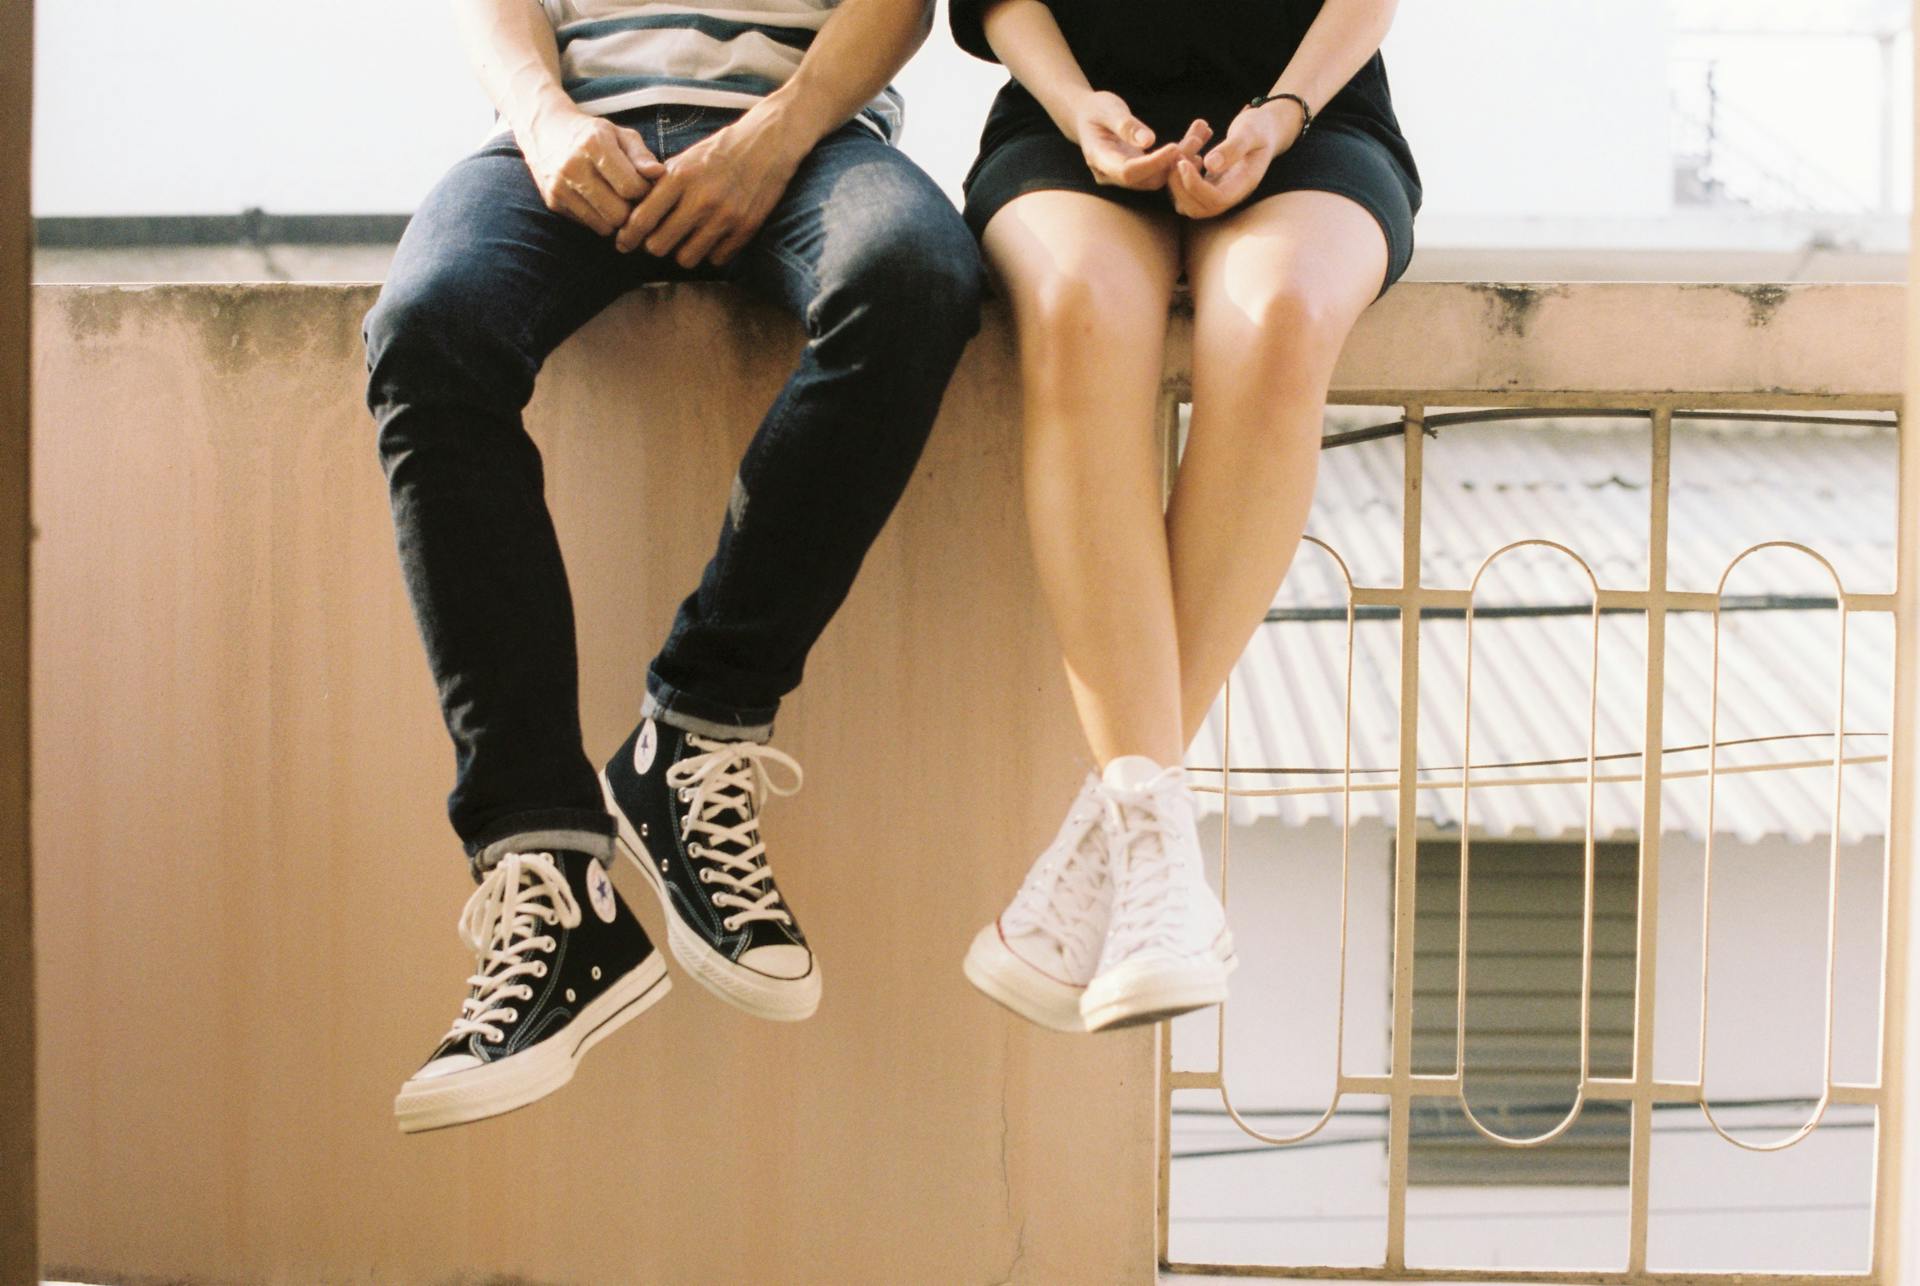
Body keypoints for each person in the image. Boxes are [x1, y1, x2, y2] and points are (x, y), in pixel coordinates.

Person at [365, 0, 982, 1132]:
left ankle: (693, 726)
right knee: (426, 323)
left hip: (807, 144)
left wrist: (780, 130)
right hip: (563, 140)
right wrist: (545, 118)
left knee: (915, 274)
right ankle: (550, 873)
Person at [950, 0, 1420, 1033]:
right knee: (1077, 302)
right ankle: (1157, 859)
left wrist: (1279, 115)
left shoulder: (1303, 114)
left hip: (1313, 120)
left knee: (1283, 314)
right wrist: (1081, 110)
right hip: (1070, 127)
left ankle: (1122, 839)